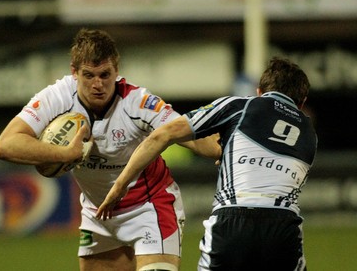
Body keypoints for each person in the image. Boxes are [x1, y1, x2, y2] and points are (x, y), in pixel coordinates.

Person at [0, 28, 220, 271]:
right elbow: (5, 145)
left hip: (150, 206)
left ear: (117, 70)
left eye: (105, 74)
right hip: (97, 213)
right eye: (88, 75)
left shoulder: (139, 103)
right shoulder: (57, 97)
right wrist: (65, 154)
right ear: (74, 72)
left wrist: (224, 149)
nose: (98, 85)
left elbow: (192, 138)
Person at [96, 57, 318, 271]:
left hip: (232, 220)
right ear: (302, 102)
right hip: (284, 227)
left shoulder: (239, 106)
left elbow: (161, 136)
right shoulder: (310, 135)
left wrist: (119, 186)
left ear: (258, 92)